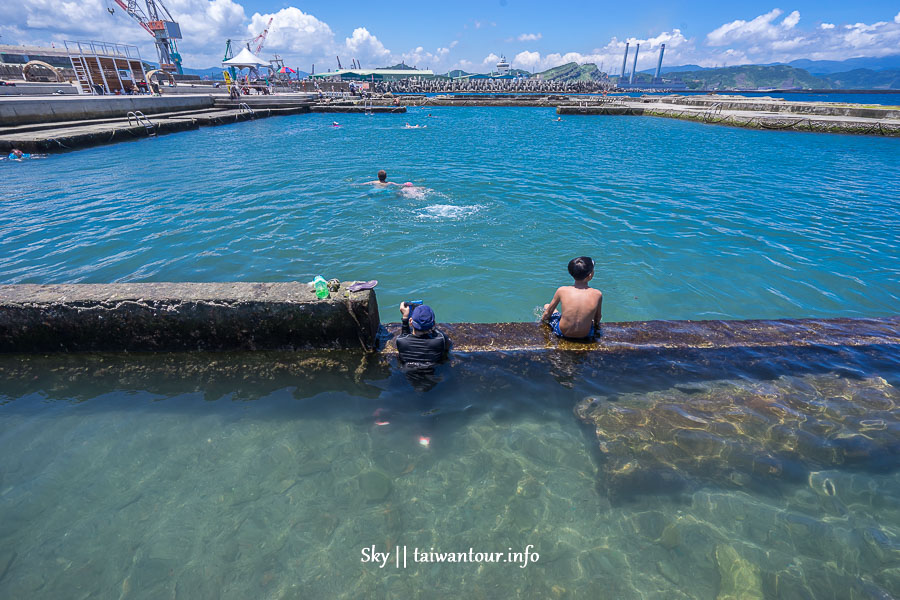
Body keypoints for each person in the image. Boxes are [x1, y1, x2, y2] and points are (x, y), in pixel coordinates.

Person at [541, 256, 603, 340]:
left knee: (547, 306)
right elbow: (597, 318)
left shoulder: (562, 290)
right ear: (590, 275)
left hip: (562, 333)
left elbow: (547, 314)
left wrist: (542, 324)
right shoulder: (597, 294)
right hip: (586, 334)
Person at [396, 303, 451, 391]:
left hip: (409, 379)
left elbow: (405, 336)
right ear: (433, 324)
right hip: (433, 376)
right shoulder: (440, 340)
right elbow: (445, 339)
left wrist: (405, 317)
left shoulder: (401, 341)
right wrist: (429, 324)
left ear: (411, 322)